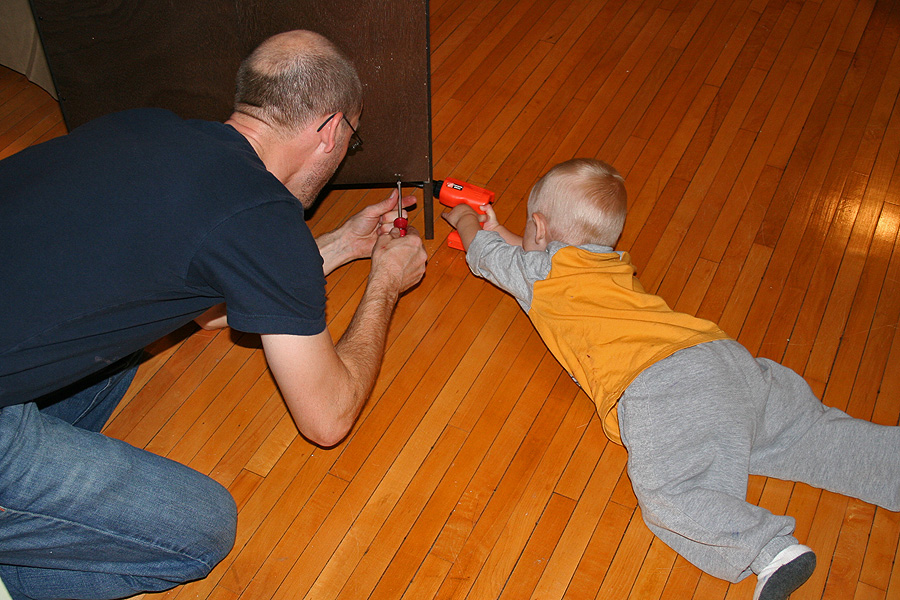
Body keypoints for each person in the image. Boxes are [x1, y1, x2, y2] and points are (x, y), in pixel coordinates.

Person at [0, 30, 427, 600]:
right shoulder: (263, 221)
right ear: (329, 129)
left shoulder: (143, 125)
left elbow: (208, 304)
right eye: (351, 138)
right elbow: (328, 419)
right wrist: (385, 284)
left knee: (132, 328)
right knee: (201, 529)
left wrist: (344, 244)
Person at [442, 158, 900, 600]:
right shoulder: (611, 266)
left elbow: (486, 256)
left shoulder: (540, 274)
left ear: (538, 229)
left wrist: (466, 219)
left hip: (664, 385)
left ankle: (770, 549)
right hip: (726, 360)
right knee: (804, 434)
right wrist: (504, 229)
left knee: (673, 493)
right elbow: (531, 259)